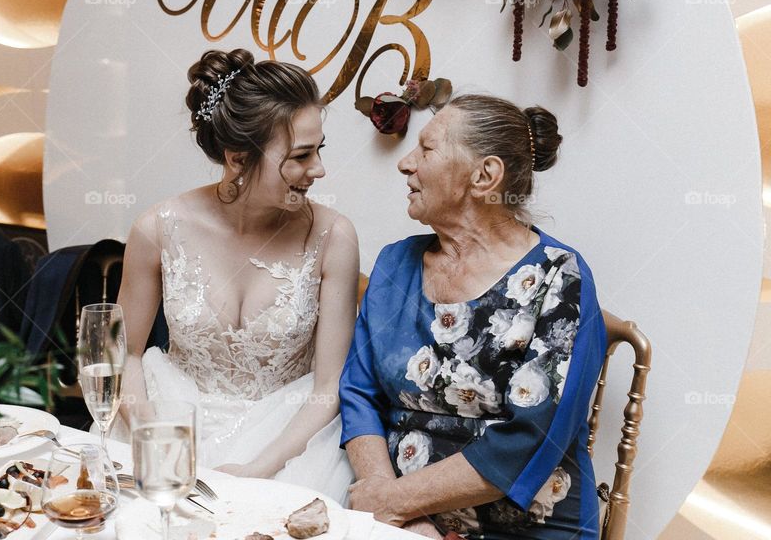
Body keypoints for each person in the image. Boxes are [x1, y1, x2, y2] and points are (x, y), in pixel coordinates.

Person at [339, 94, 607, 538]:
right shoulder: (394, 265)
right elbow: (359, 396)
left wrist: (400, 501)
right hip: (398, 518)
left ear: (484, 176)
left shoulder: (559, 279)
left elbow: (531, 438)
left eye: (426, 149)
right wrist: (394, 507)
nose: (405, 163)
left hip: (522, 525)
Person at [112, 48, 357, 503]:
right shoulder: (157, 228)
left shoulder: (333, 237)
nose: (319, 170)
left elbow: (329, 386)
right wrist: (152, 437)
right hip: (169, 419)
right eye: (301, 155)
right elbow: (123, 355)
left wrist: (258, 468)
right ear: (238, 157)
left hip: (288, 440)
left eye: (318, 151)